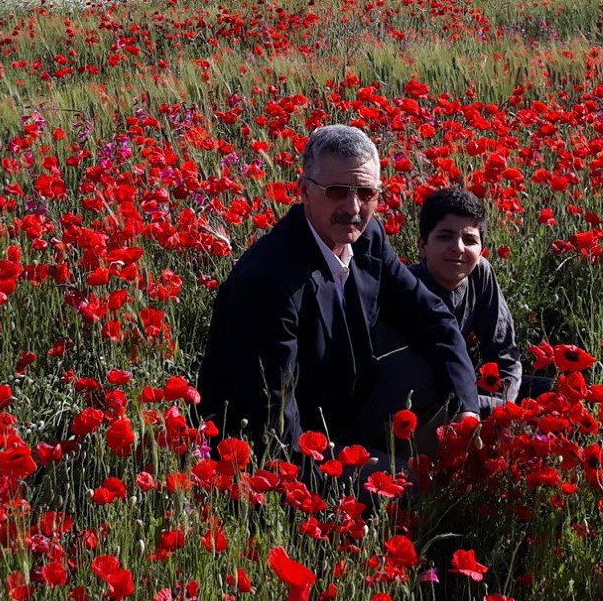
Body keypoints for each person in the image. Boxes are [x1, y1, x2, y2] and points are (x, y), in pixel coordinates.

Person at [197, 123, 480, 452]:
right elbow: (274, 425)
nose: (354, 208)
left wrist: (468, 410)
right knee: (411, 495)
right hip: (276, 445)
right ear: (304, 191)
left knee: (433, 369)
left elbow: (433, 318)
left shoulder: (368, 237)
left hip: (347, 407)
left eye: (366, 193)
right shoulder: (269, 282)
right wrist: (366, 474)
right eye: (337, 191)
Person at [411, 185, 525, 406]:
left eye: (470, 240)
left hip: (468, 391)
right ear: (422, 246)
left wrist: (503, 405)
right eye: (445, 236)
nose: (458, 248)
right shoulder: (408, 287)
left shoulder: (480, 273)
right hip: (426, 401)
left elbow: (505, 354)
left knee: (556, 394)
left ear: (482, 250)